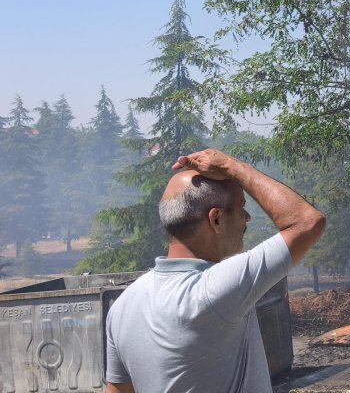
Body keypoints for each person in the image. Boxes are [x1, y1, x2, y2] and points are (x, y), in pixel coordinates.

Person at [104, 149, 326, 393]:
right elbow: (307, 222)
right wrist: (234, 166)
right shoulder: (215, 288)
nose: (248, 218)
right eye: (241, 207)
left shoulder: (122, 307)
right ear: (216, 219)